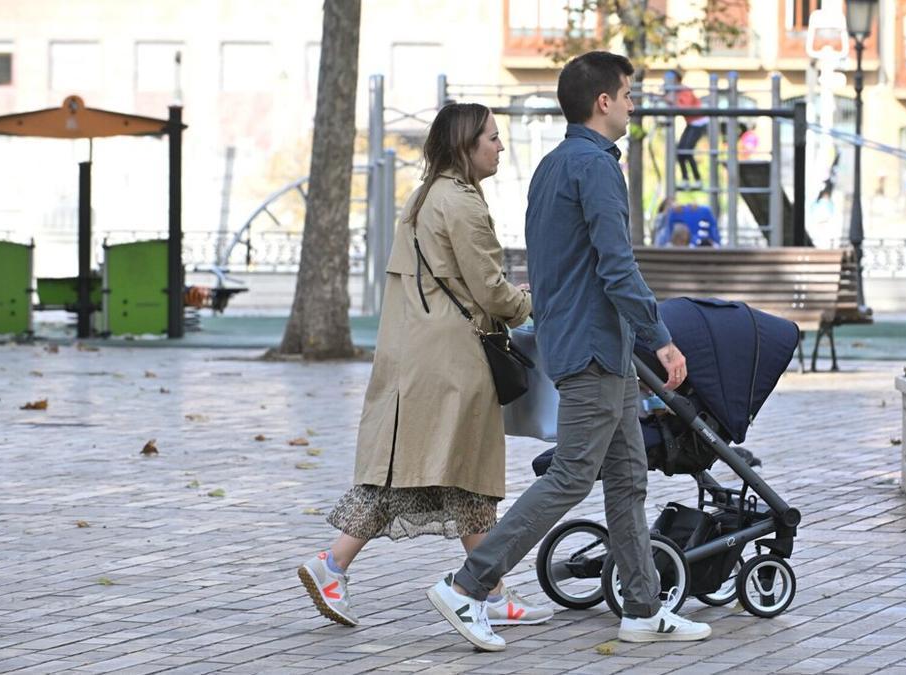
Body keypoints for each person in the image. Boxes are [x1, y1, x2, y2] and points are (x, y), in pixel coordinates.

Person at [426, 51, 712, 652]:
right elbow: (617, 266)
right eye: (629, 93)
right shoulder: (598, 167)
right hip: (595, 348)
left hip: (584, 343)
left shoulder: (553, 165)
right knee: (573, 476)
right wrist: (660, 337)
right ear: (603, 102)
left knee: (629, 478)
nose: (634, 102)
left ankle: (641, 608)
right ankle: (467, 584)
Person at [297, 103, 551, 629]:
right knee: (458, 475)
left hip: (417, 357)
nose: (499, 146)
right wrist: (532, 302)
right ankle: (337, 565)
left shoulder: (422, 197)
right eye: (492, 138)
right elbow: (491, 291)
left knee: (440, 475)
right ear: (466, 145)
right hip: (455, 362)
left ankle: (486, 587)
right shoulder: (461, 205)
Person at [666, 69, 708, 188]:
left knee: (687, 151)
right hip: (691, 123)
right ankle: (685, 179)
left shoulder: (684, 90)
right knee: (680, 151)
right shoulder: (675, 92)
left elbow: (686, 107)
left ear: (677, 81)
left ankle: (697, 180)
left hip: (698, 122)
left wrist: (672, 101)